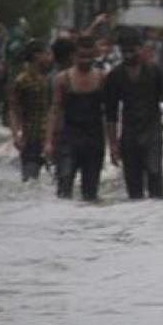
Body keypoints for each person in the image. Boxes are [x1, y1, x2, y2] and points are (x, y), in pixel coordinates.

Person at [104, 28, 163, 200]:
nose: (129, 55)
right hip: (129, 136)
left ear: (142, 48)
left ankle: (155, 220)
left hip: (152, 134)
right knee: (133, 187)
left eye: (132, 50)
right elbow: (111, 115)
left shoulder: (155, 71)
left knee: (155, 177)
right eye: (124, 51)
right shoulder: (115, 76)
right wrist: (113, 146)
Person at [45, 36, 111, 201]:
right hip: (68, 137)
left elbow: (110, 111)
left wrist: (113, 142)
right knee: (64, 185)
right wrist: (48, 141)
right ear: (73, 56)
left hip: (94, 139)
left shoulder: (102, 78)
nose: (85, 60)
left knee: (91, 191)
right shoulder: (62, 79)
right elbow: (54, 110)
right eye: (81, 56)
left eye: (89, 57)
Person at [8, 41, 53, 181]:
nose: (50, 57)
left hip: (52, 137)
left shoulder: (52, 79)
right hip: (31, 138)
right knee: (30, 180)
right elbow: (14, 110)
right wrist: (16, 135)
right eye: (47, 54)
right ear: (36, 56)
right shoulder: (22, 81)